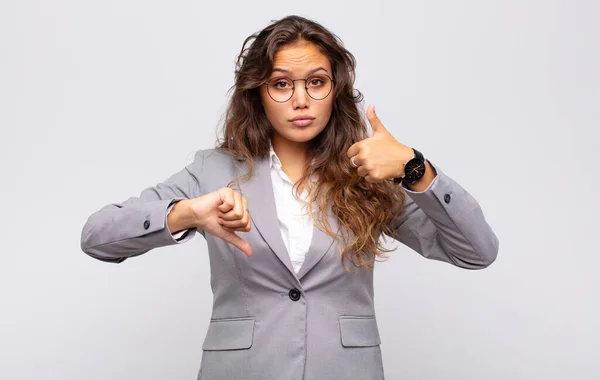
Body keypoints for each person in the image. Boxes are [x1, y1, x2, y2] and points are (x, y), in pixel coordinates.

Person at [80, 15, 499, 380]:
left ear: (336, 89)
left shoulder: (369, 175)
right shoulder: (212, 171)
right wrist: (186, 214)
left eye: (316, 82)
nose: (301, 100)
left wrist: (414, 167)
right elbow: (97, 236)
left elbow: (476, 251)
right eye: (281, 84)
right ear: (258, 93)